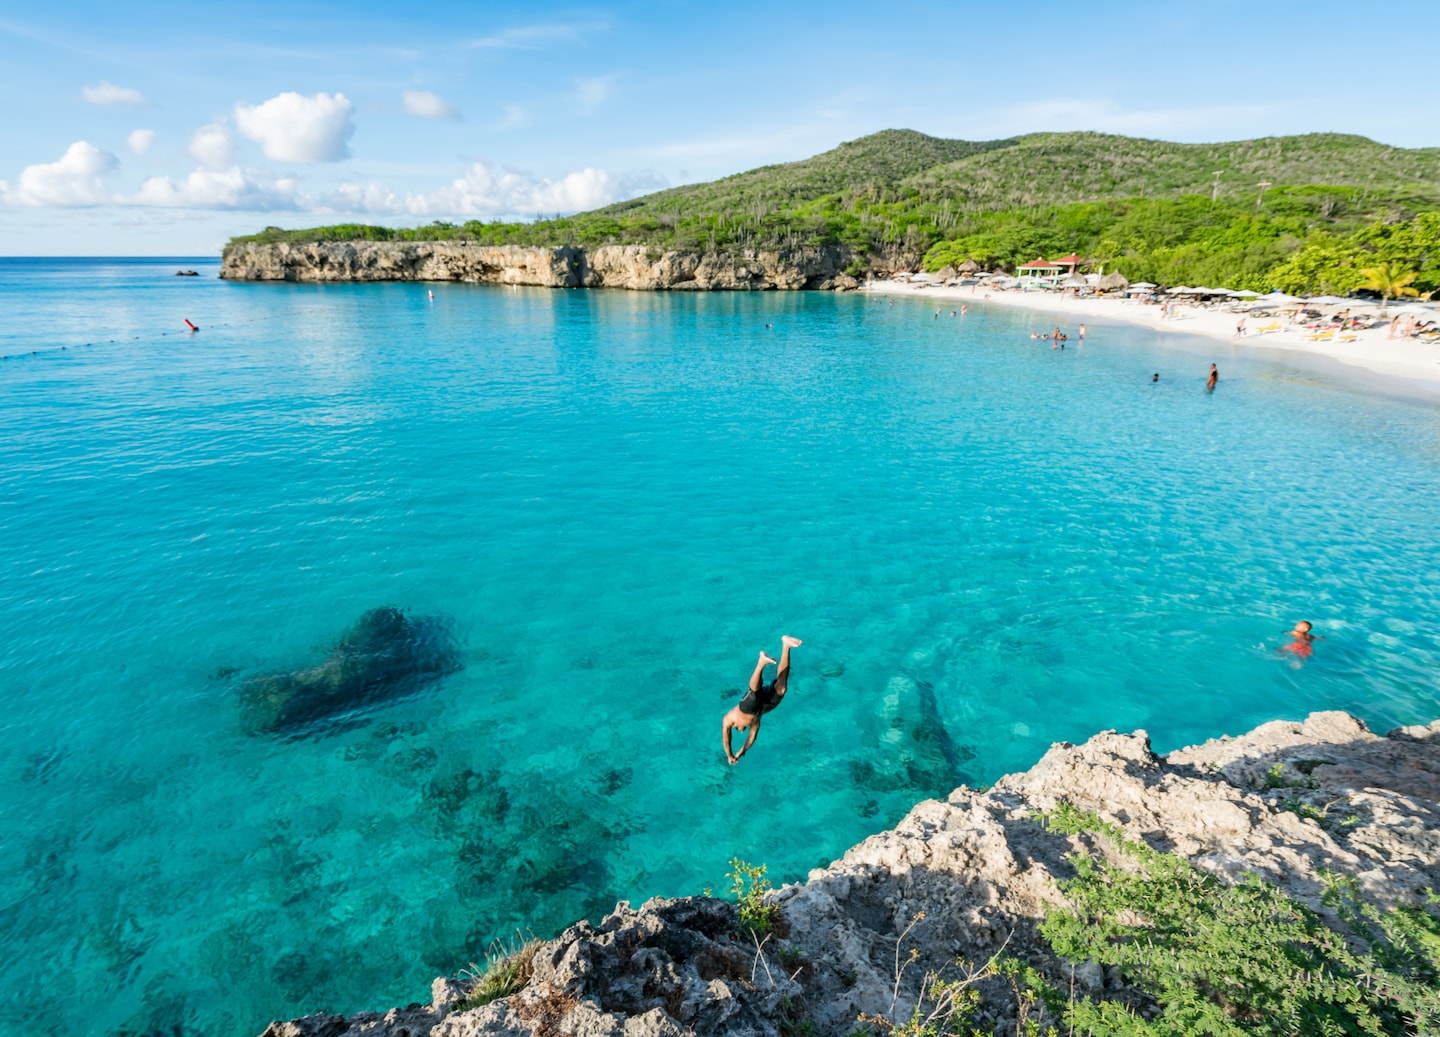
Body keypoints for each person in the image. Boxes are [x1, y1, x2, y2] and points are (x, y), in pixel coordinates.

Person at [722, 636, 802, 764]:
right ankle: (786, 646)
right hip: (763, 707)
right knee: (781, 688)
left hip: (746, 707)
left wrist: (729, 754)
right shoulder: (754, 723)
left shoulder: (729, 720)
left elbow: (726, 740)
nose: (743, 731)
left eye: (740, 730)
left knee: (754, 691)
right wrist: (743, 750)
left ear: (737, 727)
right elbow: (752, 738)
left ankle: (761, 663)